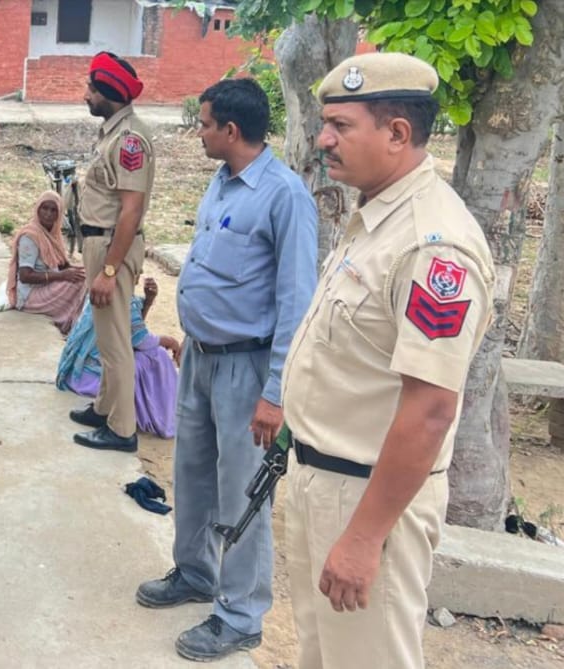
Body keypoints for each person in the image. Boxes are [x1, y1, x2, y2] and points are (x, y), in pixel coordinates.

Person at [281, 52, 494, 669]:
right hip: (322, 480)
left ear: (397, 133)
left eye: (340, 126)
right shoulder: (378, 217)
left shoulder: (433, 247)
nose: (323, 139)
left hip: (368, 497)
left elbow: (431, 409)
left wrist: (364, 536)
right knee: (322, 656)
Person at [133, 77, 319, 662]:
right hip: (201, 358)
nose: (200, 132)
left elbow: (297, 300)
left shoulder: (285, 196)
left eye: (206, 123)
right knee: (192, 475)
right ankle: (195, 573)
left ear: (231, 131)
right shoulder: (221, 182)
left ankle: (240, 615)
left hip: (248, 368)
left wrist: (276, 393)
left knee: (243, 494)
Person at [67, 52, 153, 453]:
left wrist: (109, 270)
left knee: (116, 341)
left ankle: (121, 429)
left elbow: (131, 210)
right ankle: (104, 407)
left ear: (109, 92)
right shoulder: (113, 133)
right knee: (106, 336)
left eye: (91, 89)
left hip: (111, 247)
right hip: (99, 243)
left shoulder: (129, 140)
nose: (86, 95)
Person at [57, 279, 181, 439]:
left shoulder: (106, 289)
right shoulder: (121, 294)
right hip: (95, 377)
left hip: (78, 375)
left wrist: (148, 301)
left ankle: (105, 411)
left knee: (149, 352)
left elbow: (128, 330)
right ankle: (156, 413)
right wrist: (171, 342)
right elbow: (140, 340)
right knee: (157, 355)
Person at [6, 191, 87, 335]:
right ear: (37, 209)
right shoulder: (30, 236)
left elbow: (62, 266)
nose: (48, 214)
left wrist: (86, 269)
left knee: (87, 276)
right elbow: (25, 276)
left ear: (59, 214)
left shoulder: (53, 234)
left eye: (53, 210)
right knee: (80, 283)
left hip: (48, 285)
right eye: (45, 208)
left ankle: (83, 324)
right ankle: (73, 325)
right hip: (30, 296)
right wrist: (62, 276)